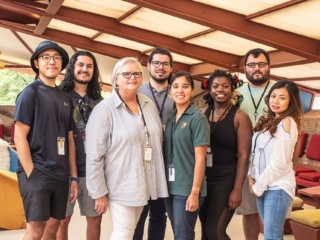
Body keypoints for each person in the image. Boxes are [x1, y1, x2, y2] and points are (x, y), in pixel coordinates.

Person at [85, 57, 168, 239]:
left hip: (143, 181)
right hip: (119, 183)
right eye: (126, 74)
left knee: (129, 231)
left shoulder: (147, 104)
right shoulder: (104, 110)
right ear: (116, 78)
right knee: (123, 232)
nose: (132, 77)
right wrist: (98, 192)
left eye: (137, 73)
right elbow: (94, 155)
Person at [14, 40, 78, 240]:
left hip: (60, 174)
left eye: (56, 57)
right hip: (38, 171)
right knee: (35, 230)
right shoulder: (30, 93)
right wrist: (31, 173)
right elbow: (19, 136)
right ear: (36, 63)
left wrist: (73, 177)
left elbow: (69, 139)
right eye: (46, 57)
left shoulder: (66, 98)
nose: (52, 61)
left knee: (54, 227)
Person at [199, 70, 252, 240]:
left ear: (232, 88)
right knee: (205, 229)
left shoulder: (240, 117)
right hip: (204, 177)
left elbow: (244, 155)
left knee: (216, 231)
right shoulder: (202, 113)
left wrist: (237, 189)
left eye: (225, 86)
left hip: (227, 177)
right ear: (209, 89)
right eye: (215, 86)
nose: (220, 89)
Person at [57, 51, 103, 240]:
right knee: (62, 219)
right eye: (81, 65)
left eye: (89, 66)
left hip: (93, 170)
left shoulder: (100, 102)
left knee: (95, 219)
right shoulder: (59, 97)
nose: (85, 69)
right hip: (64, 171)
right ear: (72, 68)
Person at [249, 79, 302, 239]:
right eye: (273, 96)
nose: (275, 101)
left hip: (277, 187)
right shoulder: (269, 121)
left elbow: (280, 162)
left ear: (291, 101)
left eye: (282, 98)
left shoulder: (287, 122)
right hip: (263, 185)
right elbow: (256, 152)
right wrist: (250, 176)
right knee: (270, 233)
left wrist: (259, 185)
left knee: (272, 235)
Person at [163, 71, 210, 240]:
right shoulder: (170, 118)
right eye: (175, 86)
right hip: (170, 186)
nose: (180, 90)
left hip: (187, 188)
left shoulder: (198, 118)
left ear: (191, 90)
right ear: (170, 91)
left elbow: (200, 158)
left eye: (185, 86)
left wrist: (195, 192)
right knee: (179, 234)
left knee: (184, 236)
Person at [134, 47, 174, 240]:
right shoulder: (137, 91)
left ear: (171, 68)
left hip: (165, 161)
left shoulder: (177, 92)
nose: (160, 67)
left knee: (159, 213)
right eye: (156, 63)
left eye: (165, 64)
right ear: (148, 66)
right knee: (139, 213)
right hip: (141, 160)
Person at [236, 48, 276, 240]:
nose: (256, 69)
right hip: (246, 160)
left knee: (272, 212)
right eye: (252, 65)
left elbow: (295, 125)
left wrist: (292, 162)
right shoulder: (236, 93)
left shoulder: (280, 90)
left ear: (269, 66)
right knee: (250, 210)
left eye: (261, 64)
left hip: (274, 160)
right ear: (245, 68)